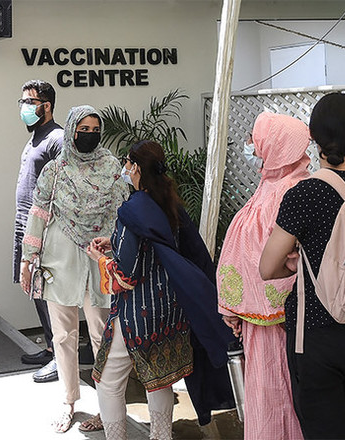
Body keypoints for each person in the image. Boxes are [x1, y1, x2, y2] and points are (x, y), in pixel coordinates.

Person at [86, 140, 236, 440]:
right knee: (160, 379)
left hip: (136, 315)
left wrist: (100, 259)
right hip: (171, 309)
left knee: (108, 381)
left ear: (136, 168)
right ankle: (161, 436)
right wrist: (115, 242)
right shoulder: (170, 204)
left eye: (127, 162)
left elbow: (126, 275)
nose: (125, 168)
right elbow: (162, 247)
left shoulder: (132, 210)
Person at [260, 93, 345, 439]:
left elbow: (267, 268)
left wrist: (296, 266)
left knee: (323, 430)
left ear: (312, 136)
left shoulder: (304, 194)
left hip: (316, 333)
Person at [21, 105, 129, 433]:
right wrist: (28, 258)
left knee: (102, 334)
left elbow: (123, 211)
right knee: (63, 335)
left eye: (95, 130)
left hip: (100, 260)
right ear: (71, 131)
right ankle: (68, 401)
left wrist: (121, 251)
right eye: (83, 129)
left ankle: (108, 407)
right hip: (60, 261)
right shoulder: (55, 170)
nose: (90, 135)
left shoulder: (111, 167)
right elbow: (38, 212)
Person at [217, 112, 308, 440]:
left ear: (275, 146)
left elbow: (276, 256)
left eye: (256, 140)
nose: (250, 147)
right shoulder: (272, 185)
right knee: (270, 390)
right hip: (260, 313)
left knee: (276, 391)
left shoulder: (289, 190)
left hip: (278, 315)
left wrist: (235, 303)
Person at [13, 80, 63, 383]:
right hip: (26, 225)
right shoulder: (35, 137)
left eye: (30, 102)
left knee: (47, 292)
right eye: (22, 102)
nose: (24, 108)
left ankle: (61, 357)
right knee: (34, 288)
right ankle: (50, 346)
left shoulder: (57, 138)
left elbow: (63, 186)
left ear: (47, 106)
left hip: (44, 229)